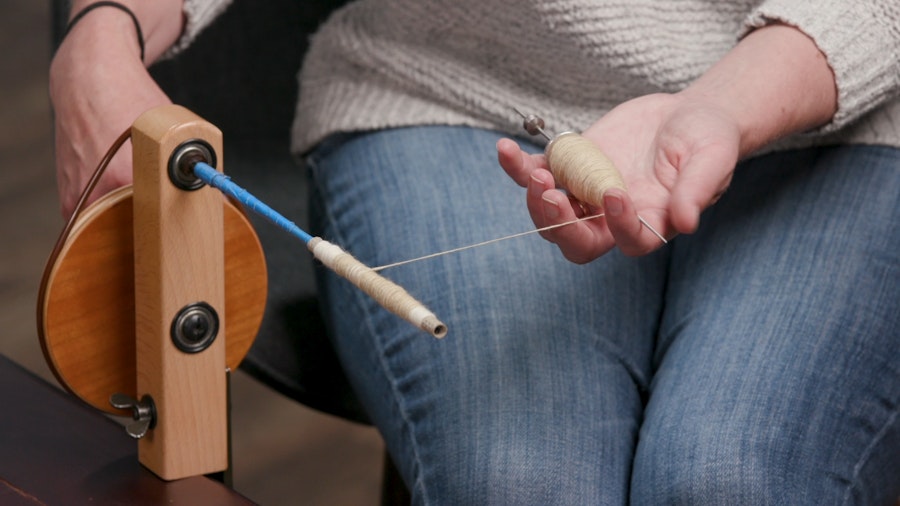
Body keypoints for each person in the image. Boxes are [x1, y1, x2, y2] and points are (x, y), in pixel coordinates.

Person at [50, 0, 899, 504]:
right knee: (522, 485)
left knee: (726, 481)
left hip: (849, 109)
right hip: (447, 89)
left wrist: (726, 103)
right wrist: (97, 41)